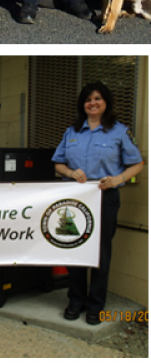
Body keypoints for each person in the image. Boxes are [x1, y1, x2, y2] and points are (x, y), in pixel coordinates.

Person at [52, 82, 143, 325]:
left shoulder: (119, 132)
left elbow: (138, 163)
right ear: (83, 104)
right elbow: (58, 164)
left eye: (98, 98)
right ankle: (76, 300)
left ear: (106, 102)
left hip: (105, 198)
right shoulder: (71, 132)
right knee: (75, 249)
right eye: (88, 99)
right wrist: (71, 173)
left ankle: (96, 305)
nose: (93, 103)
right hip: (75, 199)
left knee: (100, 253)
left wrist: (118, 179)